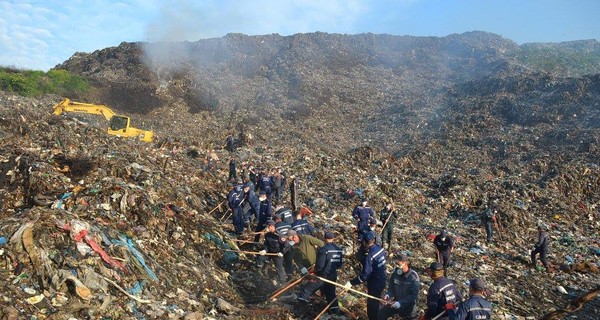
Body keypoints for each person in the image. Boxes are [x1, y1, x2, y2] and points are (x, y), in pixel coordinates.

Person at [296, 231, 344, 315]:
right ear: (333, 239)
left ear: (324, 239)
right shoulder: (338, 250)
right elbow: (339, 265)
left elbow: (319, 267)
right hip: (332, 276)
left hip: (322, 277)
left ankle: (300, 311)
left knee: (305, 289)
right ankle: (335, 312)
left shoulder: (323, 250)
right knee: (331, 294)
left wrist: (311, 272)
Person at [344, 231, 387, 320]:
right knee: (377, 300)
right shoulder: (381, 249)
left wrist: (351, 283)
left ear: (365, 242)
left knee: (372, 308)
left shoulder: (370, 256)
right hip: (383, 278)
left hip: (375, 283)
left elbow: (365, 275)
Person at [378, 253, 419, 320]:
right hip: (396, 303)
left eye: (398, 264)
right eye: (396, 264)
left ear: (405, 263)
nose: (397, 266)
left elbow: (413, 296)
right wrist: (388, 295)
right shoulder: (395, 274)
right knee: (381, 313)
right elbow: (391, 289)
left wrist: (400, 303)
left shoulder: (413, 276)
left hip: (408, 307)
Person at [257, 220, 287, 285]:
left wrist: (282, 252)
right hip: (269, 252)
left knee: (279, 268)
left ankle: (283, 282)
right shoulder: (267, 235)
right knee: (259, 257)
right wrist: (265, 250)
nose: (266, 229)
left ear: (271, 226)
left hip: (277, 254)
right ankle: (262, 272)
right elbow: (266, 244)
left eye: (267, 227)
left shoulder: (279, 235)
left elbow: (286, 245)